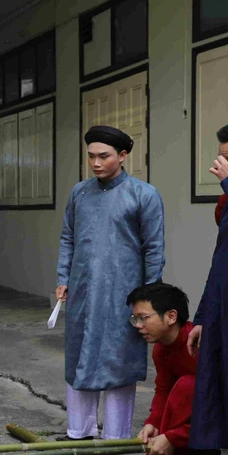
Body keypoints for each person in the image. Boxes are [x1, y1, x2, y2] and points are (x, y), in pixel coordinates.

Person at [56, 125, 165, 441]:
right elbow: (68, 237)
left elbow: (154, 248)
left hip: (124, 294)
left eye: (103, 156)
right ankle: (79, 430)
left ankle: (116, 438)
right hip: (82, 291)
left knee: (119, 363)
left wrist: (149, 297)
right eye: (91, 156)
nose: (96, 163)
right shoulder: (80, 192)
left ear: (123, 155)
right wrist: (64, 277)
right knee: (78, 360)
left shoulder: (143, 195)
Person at [189, 123, 228, 451]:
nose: (221, 166)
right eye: (222, 158)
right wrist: (202, 317)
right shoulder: (225, 203)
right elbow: (219, 263)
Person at [127, 283, 198, 455]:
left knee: (187, 384)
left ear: (171, 316)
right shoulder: (161, 349)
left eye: (143, 317)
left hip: (211, 427)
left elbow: (218, 404)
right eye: (135, 318)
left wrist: (174, 437)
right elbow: (163, 390)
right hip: (191, 430)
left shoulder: (200, 346)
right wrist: (153, 423)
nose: (137, 325)